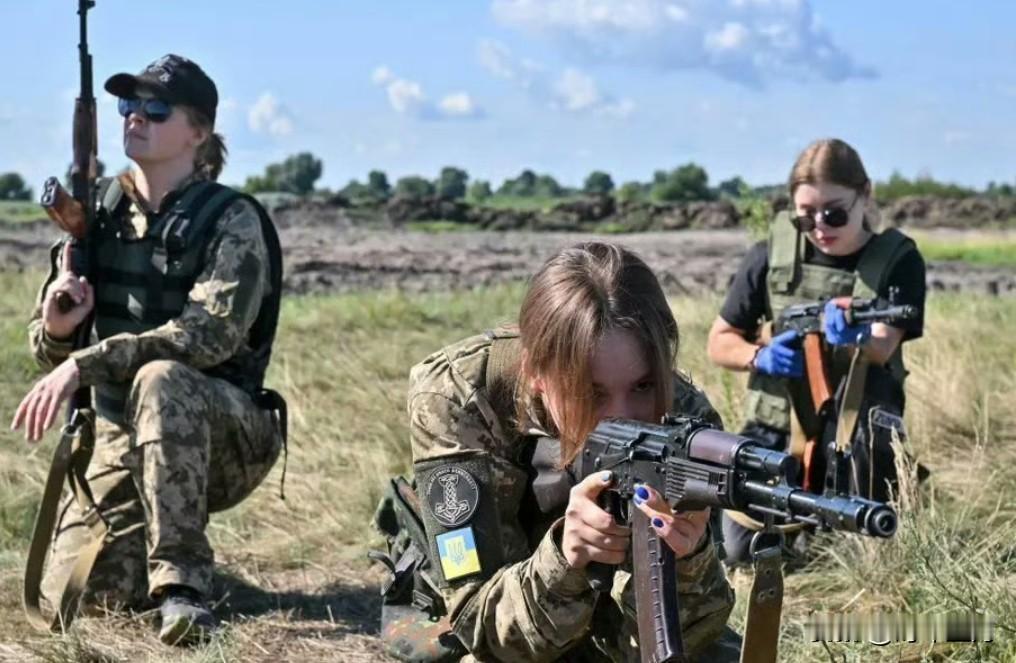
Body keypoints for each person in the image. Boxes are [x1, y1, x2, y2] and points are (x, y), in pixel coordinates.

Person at [11, 54, 285, 645]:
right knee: (81, 601)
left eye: (156, 108)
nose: (136, 117)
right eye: (127, 106)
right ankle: (155, 555)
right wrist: (62, 328)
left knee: (163, 377)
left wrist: (84, 364)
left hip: (225, 435)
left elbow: (205, 338)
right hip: (121, 434)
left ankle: (183, 589)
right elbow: (46, 350)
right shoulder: (97, 213)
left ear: (199, 131)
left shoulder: (232, 220)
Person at [372, 242, 740, 662]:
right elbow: (479, 625)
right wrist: (567, 557)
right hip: (488, 609)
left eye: (643, 386)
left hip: (604, 616)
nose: (622, 418)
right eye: (590, 392)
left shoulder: (686, 425)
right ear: (535, 374)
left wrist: (688, 561)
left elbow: (663, 641)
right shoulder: (459, 396)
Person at [706, 137, 926, 567]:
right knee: (738, 550)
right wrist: (759, 355)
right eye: (805, 217)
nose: (821, 227)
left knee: (867, 550)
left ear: (866, 195)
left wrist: (855, 337)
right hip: (776, 428)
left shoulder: (896, 258)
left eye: (834, 213)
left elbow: (883, 346)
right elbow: (720, 340)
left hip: (853, 437)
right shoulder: (771, 256)